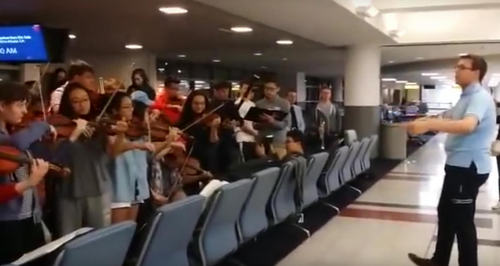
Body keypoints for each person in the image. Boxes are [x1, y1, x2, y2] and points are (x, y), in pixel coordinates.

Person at [405, 54, 495, 266]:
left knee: (462, 222)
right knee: (446, 213)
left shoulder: (479, 97)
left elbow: (466, 126)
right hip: (457, 166)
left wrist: (429, 126)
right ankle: (439, 260)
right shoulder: (466, 96)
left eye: (461, 67)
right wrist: (428, 119)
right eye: (456, 67)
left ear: (476, 72)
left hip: (468, 168)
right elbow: (451, 115)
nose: (456, 70)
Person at [53, 82, 131, 235]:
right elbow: (56, 157)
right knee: (68, 239)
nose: (82, 105)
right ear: (68, 104)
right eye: (76, 101)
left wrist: (121, 134)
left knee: (98, 238)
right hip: (69, 192)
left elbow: (113, 152)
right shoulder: (61, 126)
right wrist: (75, 133)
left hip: (98, 189)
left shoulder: (99, 123)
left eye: (85, 99)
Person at [0, 81, 55, 265]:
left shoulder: (12, 131)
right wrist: (43, 125)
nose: (25, 111)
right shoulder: (10, 139)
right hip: (7, 223)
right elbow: (17, 143)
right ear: (2, 105)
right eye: (20, 105)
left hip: (28, 215)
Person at [105, 93, 159, 224]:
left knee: (130, 230)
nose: (131, 110)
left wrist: (168, 142)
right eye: (126, 107)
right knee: (117, 234)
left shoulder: (134, 130)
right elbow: (115, 151)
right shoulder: (109, 129)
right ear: (114, 110)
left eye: (132, 107)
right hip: (117, 189)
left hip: (133, 188)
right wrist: (130, 140)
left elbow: (148, 152)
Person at [176, 91, 218, 193]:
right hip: (190, 158)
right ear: (190, 104)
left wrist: (213, 128)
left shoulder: (210, 118)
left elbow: (213, 140)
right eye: (196, 103)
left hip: (207, 157)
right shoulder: (185, 120)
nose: (199, 106)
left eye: (202, 103)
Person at [255, 80, 290, 158]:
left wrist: (273, 121)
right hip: (262, 142)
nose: (269, 91)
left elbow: (284, 124)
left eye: (272, 89)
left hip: (278, 142)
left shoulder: (284, 103)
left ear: (278, 89)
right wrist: (262, 121)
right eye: (266, 89)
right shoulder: (259, 104)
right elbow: (255, 125)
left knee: (279, 165)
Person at [235, 81, 259, 162]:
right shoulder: (237, 104)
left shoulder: (252, 104)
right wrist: (256, 134)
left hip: (252, 139)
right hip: (243, 138)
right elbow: (241, 124)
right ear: (240, 90)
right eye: (245, 88)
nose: (248, 91)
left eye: (250, 89)